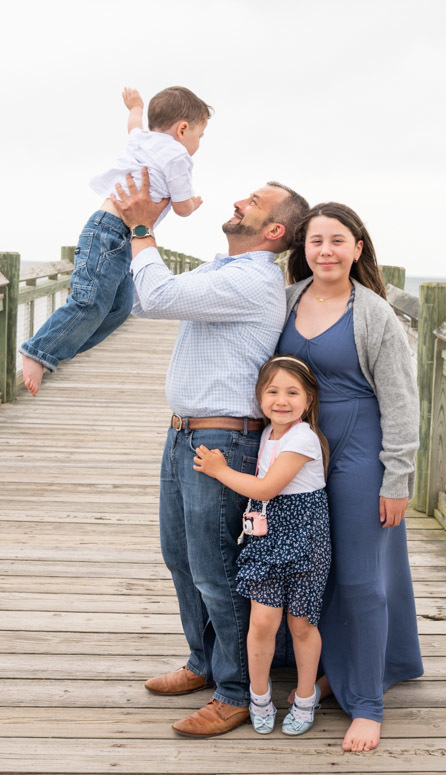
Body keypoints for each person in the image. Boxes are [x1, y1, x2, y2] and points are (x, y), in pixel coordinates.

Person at [110, 168, 310, 738]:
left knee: (216, 568)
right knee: (181, 558)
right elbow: (147, 304)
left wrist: (143, 224)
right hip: (186, 434)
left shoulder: (253, 280)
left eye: (254, 201)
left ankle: (237, 691)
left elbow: (159, 290)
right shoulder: (223, 269)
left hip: (222, 438)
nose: (238, 201)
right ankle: (203, 662)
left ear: (273, 231)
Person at [278, 202, 422, 752]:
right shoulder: (286, 300)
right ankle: (331, 669)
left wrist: (397, 479)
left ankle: (367, 704)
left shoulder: (375, 314)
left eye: (338, 241)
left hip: (360, 451)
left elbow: (402, 403)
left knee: (361, 577)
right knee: (313, 566)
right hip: (299, 450)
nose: (326, 252)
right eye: (316, 242)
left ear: (358, 249)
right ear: (303, 250)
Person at [19, 86, 211, 396]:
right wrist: (194, 204)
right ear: (183, 128)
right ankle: (39, 351)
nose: (198, 145)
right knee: (89, 301)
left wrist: (135, 106)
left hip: (112, 233)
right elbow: (182, 207)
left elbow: (133, 124)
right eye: (200, 137)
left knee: (119, 309)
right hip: (111, 232)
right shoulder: (177, 155)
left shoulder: (142, 140)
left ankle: (58, 349)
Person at [192, 355, 332, 737]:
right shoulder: (267, 434)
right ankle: (258, 696)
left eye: (292, 392)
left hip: (304, 538)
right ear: (258, 397)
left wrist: (221, 471)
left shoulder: (303, 437)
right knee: (263, 622)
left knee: (301, 623)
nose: (281, 400)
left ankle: (306, 697)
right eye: (272, 391)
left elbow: (269, 488)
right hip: (266, 538)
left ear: (309, 399)